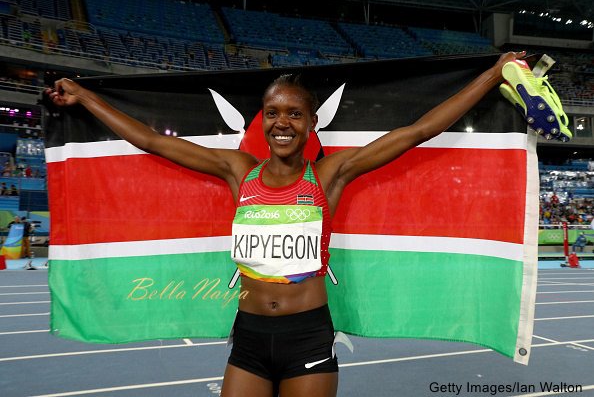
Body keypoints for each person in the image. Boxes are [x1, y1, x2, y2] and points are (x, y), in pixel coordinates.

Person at [46, 51, 525, 397]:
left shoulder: (330, 175)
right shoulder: (238, 171)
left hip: (308, 336)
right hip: (250, 335)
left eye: (295, 113)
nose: (282, 123)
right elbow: (152, 141)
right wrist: (85, 96)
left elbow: (417, 132)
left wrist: (490, 75)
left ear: (312, 122)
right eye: (273, 112)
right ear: (262, 120)